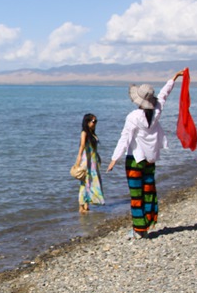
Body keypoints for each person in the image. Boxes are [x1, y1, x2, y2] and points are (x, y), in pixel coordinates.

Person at [107, 69, 186, 239]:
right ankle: (148, 223)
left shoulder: (133, 116)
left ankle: (139, 229)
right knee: (149, 191)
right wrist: (174, 78)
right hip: (150, 160)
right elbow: (164, 94)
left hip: (135, 160)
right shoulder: (157, 111)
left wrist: (114, 159)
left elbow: (125, 138)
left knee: (136, 195)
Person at [74, 113, 105, 213]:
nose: (95, 123)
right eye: (93, 121)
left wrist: (98, 158)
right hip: (86, 161)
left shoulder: (92, 133)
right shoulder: (84, 133)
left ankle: (87, 205)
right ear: (87, 122)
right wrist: (77, 162)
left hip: (93, 161)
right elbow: (82, 146)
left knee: (91, 182)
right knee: (85, 182)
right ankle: (81, 207)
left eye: (96, 121)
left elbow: (94, 149)